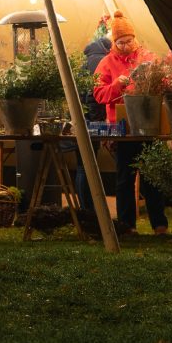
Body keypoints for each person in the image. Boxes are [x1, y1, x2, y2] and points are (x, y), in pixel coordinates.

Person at [93, 10, 168, 235]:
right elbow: (98, 94)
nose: (126, 45)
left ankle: (160, 225)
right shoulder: (106, 63)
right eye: (120, 42)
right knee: (125, 178)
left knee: (153, 177)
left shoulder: (148, 57)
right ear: (113, 42)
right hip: (123, 130)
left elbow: (163, 82)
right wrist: (116, 85)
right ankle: (127, 226)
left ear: (135, 38)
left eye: (129, 40)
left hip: (149, 126)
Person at [74, 19, 112, 209]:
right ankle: (89, 208)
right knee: (87, 165)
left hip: (80, 117)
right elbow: (92, 94)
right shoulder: (101, 59)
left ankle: (86, 207)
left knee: (83, 164)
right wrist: (98, 120)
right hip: (91, 119)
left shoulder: (87, 57)